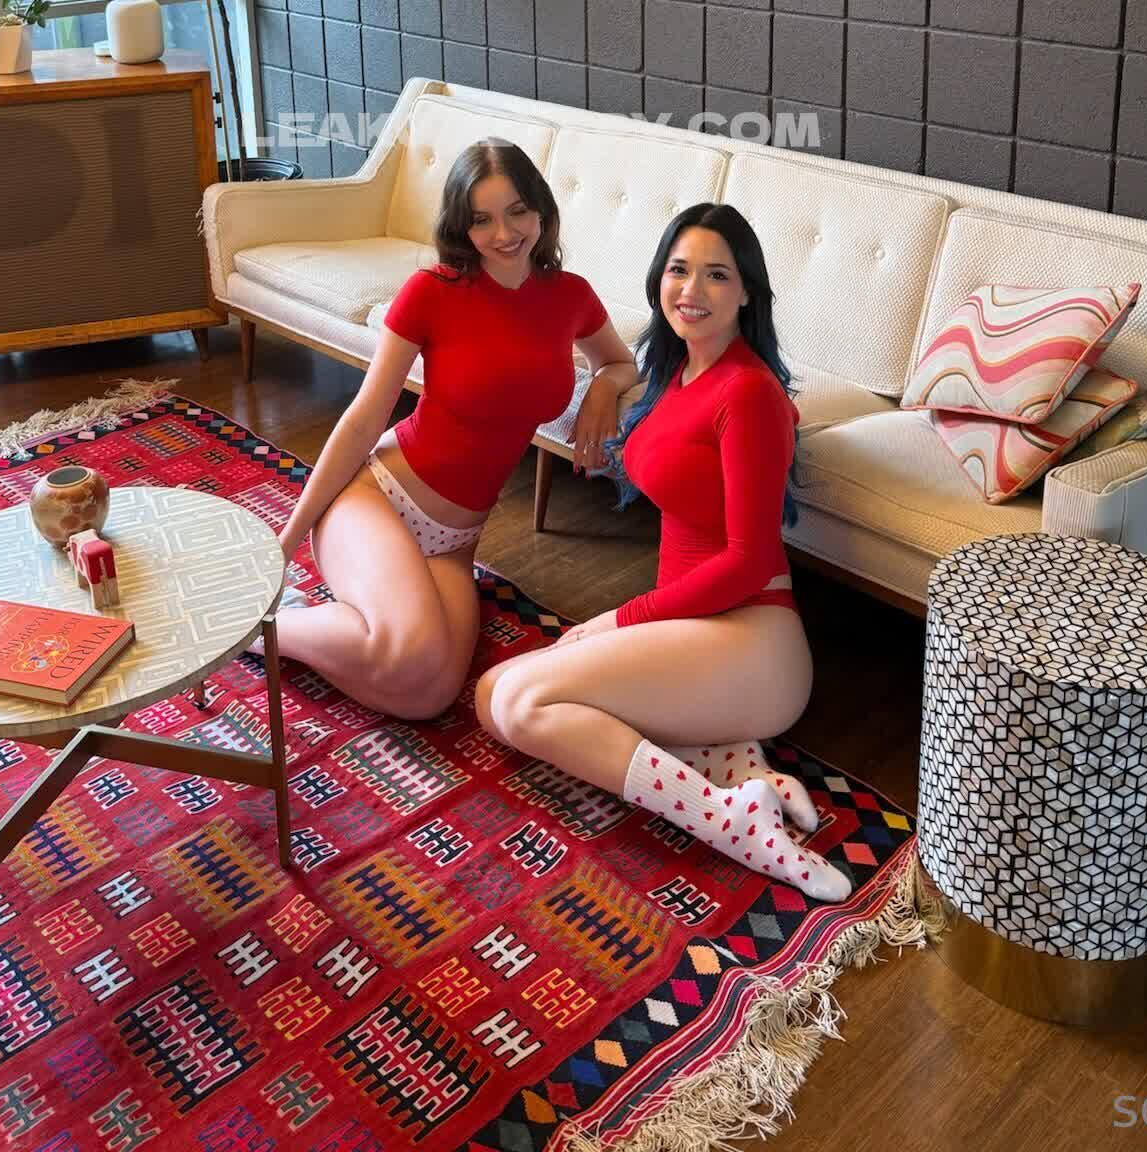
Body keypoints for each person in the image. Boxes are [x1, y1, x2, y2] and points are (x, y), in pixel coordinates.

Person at [476, 203, 851, 901]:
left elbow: (747, 561)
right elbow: (626, 376)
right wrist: (608, 382)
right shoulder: (675, 371)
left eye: (717, 275)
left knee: (524, 706)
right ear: (659, 279)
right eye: (679, 270)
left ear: (747, 293)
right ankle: (735, 766)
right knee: (492, 695)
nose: (692, 290)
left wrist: (621, 619)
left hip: (754, 639)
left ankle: (727, 819)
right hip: (696, 630)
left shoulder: (749, 394)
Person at [270, 138, 636, 720]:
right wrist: (285, 544)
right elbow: (364, 417)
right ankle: (262, 627)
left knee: (429, 694)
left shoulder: (570, 295)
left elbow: (619, 362)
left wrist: (602, 388)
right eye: (482, 219)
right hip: (379, 500)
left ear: (541, 209)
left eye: (517, 211)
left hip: (456, 543)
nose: (504, 233)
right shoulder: (432, 292)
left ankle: (344, 628)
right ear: (461, 225)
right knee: (406, 654)